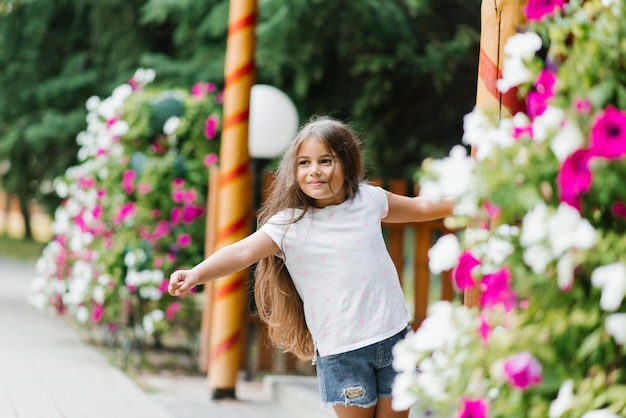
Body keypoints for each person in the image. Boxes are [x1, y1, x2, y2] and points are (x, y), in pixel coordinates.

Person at [169, 116, 454, 418]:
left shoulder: (368, 200)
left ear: (347, 164)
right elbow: (241, 252)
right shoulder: (288, 225)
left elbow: (421, 207)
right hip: (343, 351)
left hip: (394, 336)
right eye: (304, 163)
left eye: (325, 161)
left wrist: (473, 200)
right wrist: (196, 273)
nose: (314, 171)